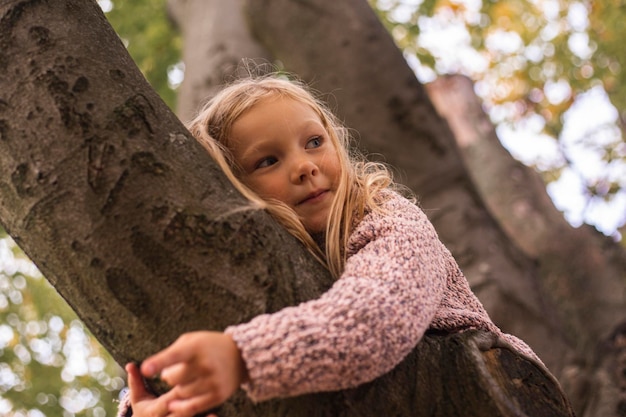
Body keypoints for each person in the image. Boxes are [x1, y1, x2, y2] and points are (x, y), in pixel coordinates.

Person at [117, 75, 564, 417]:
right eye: (268, 160)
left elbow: (379, 312)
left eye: (314, 142)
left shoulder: (385, 215)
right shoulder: (254, 265)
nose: (305, 167)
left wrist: (242, 356)